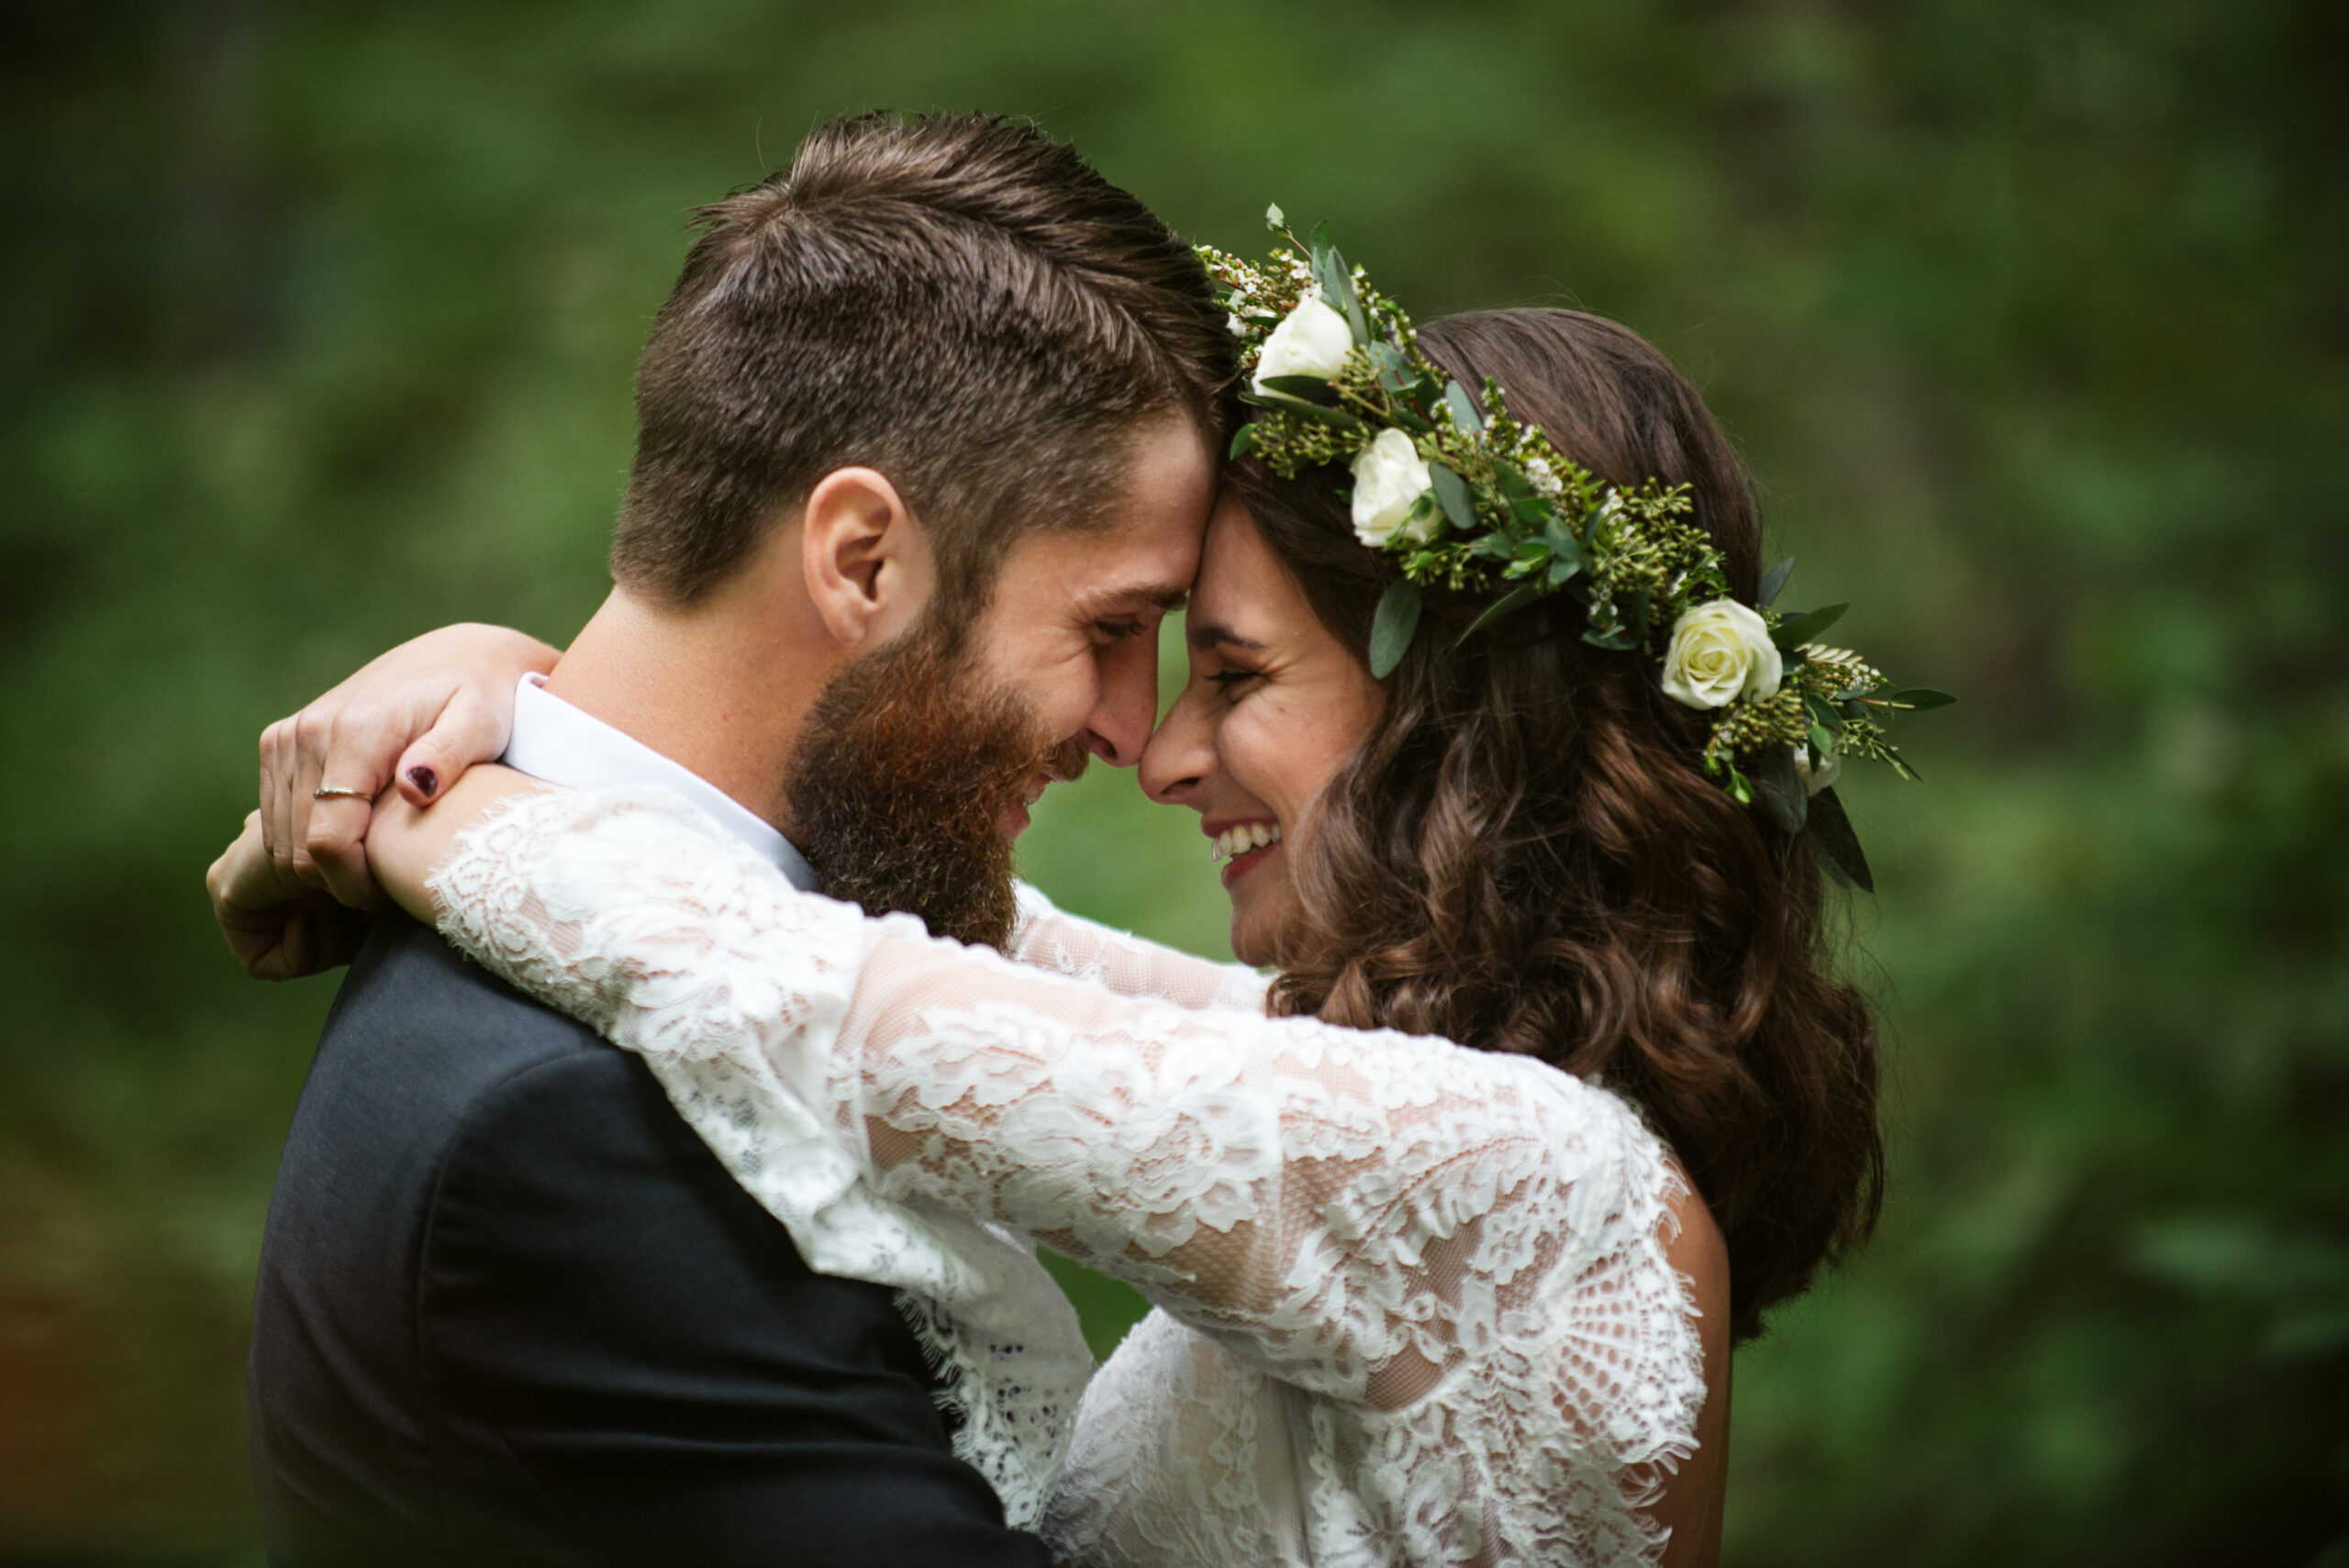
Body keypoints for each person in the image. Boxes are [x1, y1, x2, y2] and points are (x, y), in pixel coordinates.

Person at [216, 228, 1920, 1564]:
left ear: (1458, 726)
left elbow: (821, 999)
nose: (1157, 744)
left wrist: (439, 811)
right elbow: (960, 946)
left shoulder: (1515, 1177)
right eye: (1123, 637)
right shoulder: (1411, 1109)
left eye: (1225, 668)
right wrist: (519, 690)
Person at [207, 109, 1233, 1565]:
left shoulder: (728, 962)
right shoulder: (567, 1129)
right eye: (1112, 628)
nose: (1135, 730)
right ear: (861, 560)